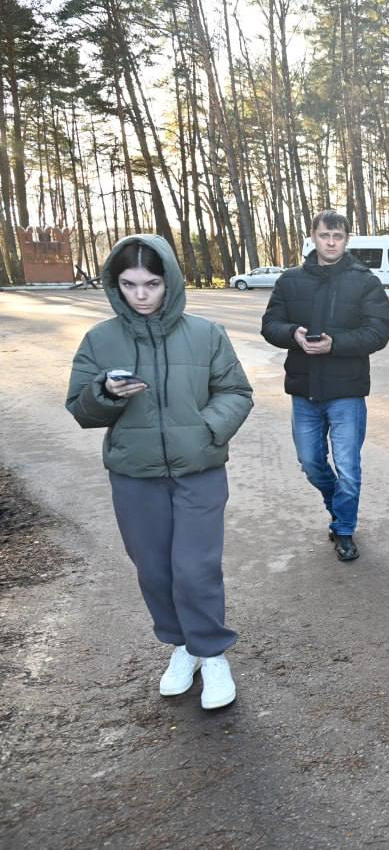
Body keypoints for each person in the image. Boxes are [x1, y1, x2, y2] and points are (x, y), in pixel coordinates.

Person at [66, 235, 253, 710]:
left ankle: (212, 654)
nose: (141, 294)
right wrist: (104, 393)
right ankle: (182, 647)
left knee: (195, 568)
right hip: (135, 475)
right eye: (129, 284)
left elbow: (236, 391)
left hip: (199, 470)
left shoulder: (206, 333)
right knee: (153, 568)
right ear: (116, 285)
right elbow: (80, 408)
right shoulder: (100, 340)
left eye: (151, 283)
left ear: (169, 280)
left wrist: (206, 430)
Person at [261, 210, 389, 562]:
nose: (331, 242)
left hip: (346, 391)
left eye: (337, 236)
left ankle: (345, 530)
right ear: (313, 237)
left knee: (349, 467)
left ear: (346, 239)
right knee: (311, 462)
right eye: (324, 235)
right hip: (304, 390)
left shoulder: (365, 281)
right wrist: (294, 334)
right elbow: (270, 324)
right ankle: (338, 507)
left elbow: (379, 332)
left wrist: (336, 343)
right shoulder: (290, 281)